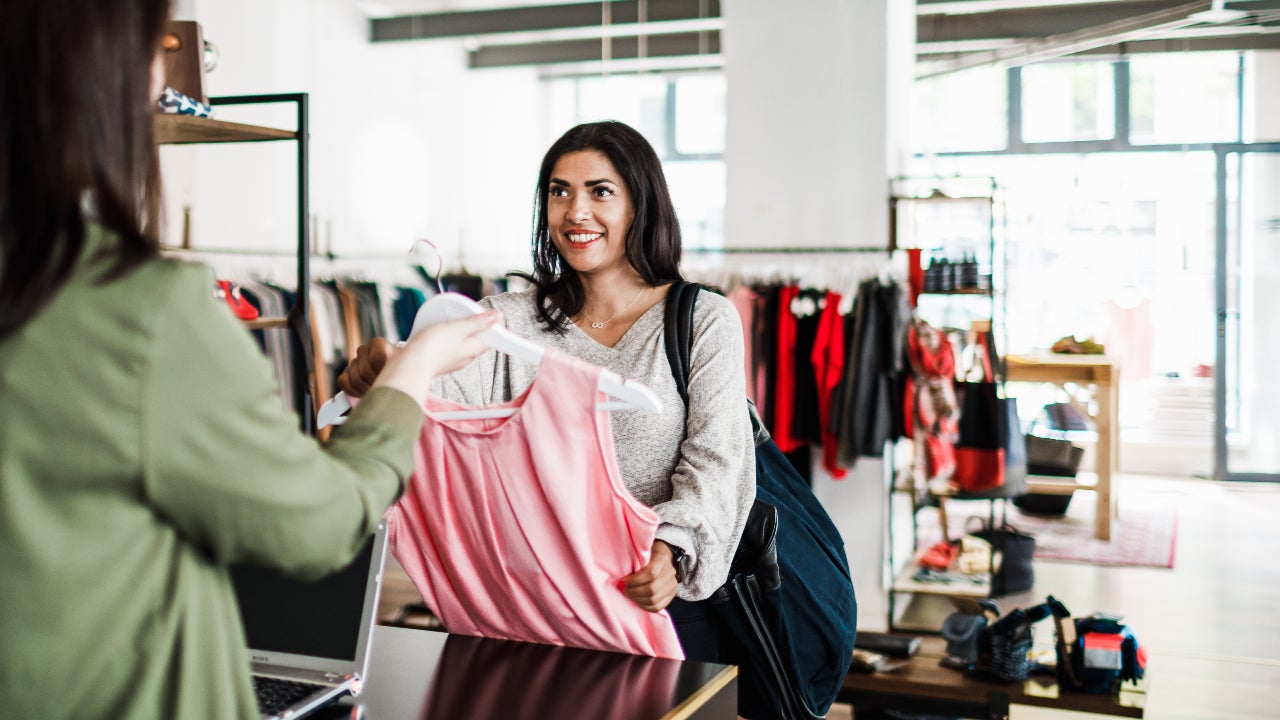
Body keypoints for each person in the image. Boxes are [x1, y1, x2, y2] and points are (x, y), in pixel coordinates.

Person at [0, 2, 498, 718]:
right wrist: (413, 371)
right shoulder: (136, 309)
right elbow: (322, 526)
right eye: (156, 48)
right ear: (100, 74)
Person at [337, 120, 756, 663]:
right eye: (560, 192)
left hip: (655, 602)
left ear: (641, 205)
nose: (575, 212)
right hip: (525, 608)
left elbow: (717, 458)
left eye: (600, 192)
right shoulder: (504, 322)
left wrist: (673, 551)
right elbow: (441, 385)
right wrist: (391, 369)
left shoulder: (703, 319)